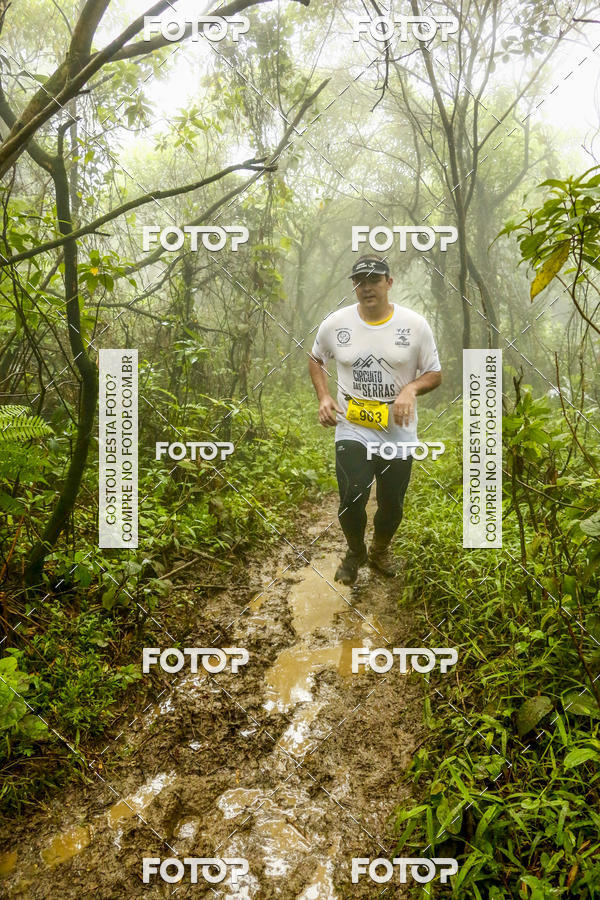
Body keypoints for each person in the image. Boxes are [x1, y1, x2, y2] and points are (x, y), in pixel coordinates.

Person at [308, 252, 442, 585]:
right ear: (354, 286)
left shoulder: (414, 325)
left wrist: (410, 389)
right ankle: (355, 552)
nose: (366, 287)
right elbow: (315, 359)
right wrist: (324, 396)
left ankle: (380, 550)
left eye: (374, 280)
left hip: (398, 429)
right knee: (352, 493)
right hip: (352, 424)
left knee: (391, 502)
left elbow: (435, 373)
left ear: (389, 283)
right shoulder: (336, 323)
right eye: (360, 281)